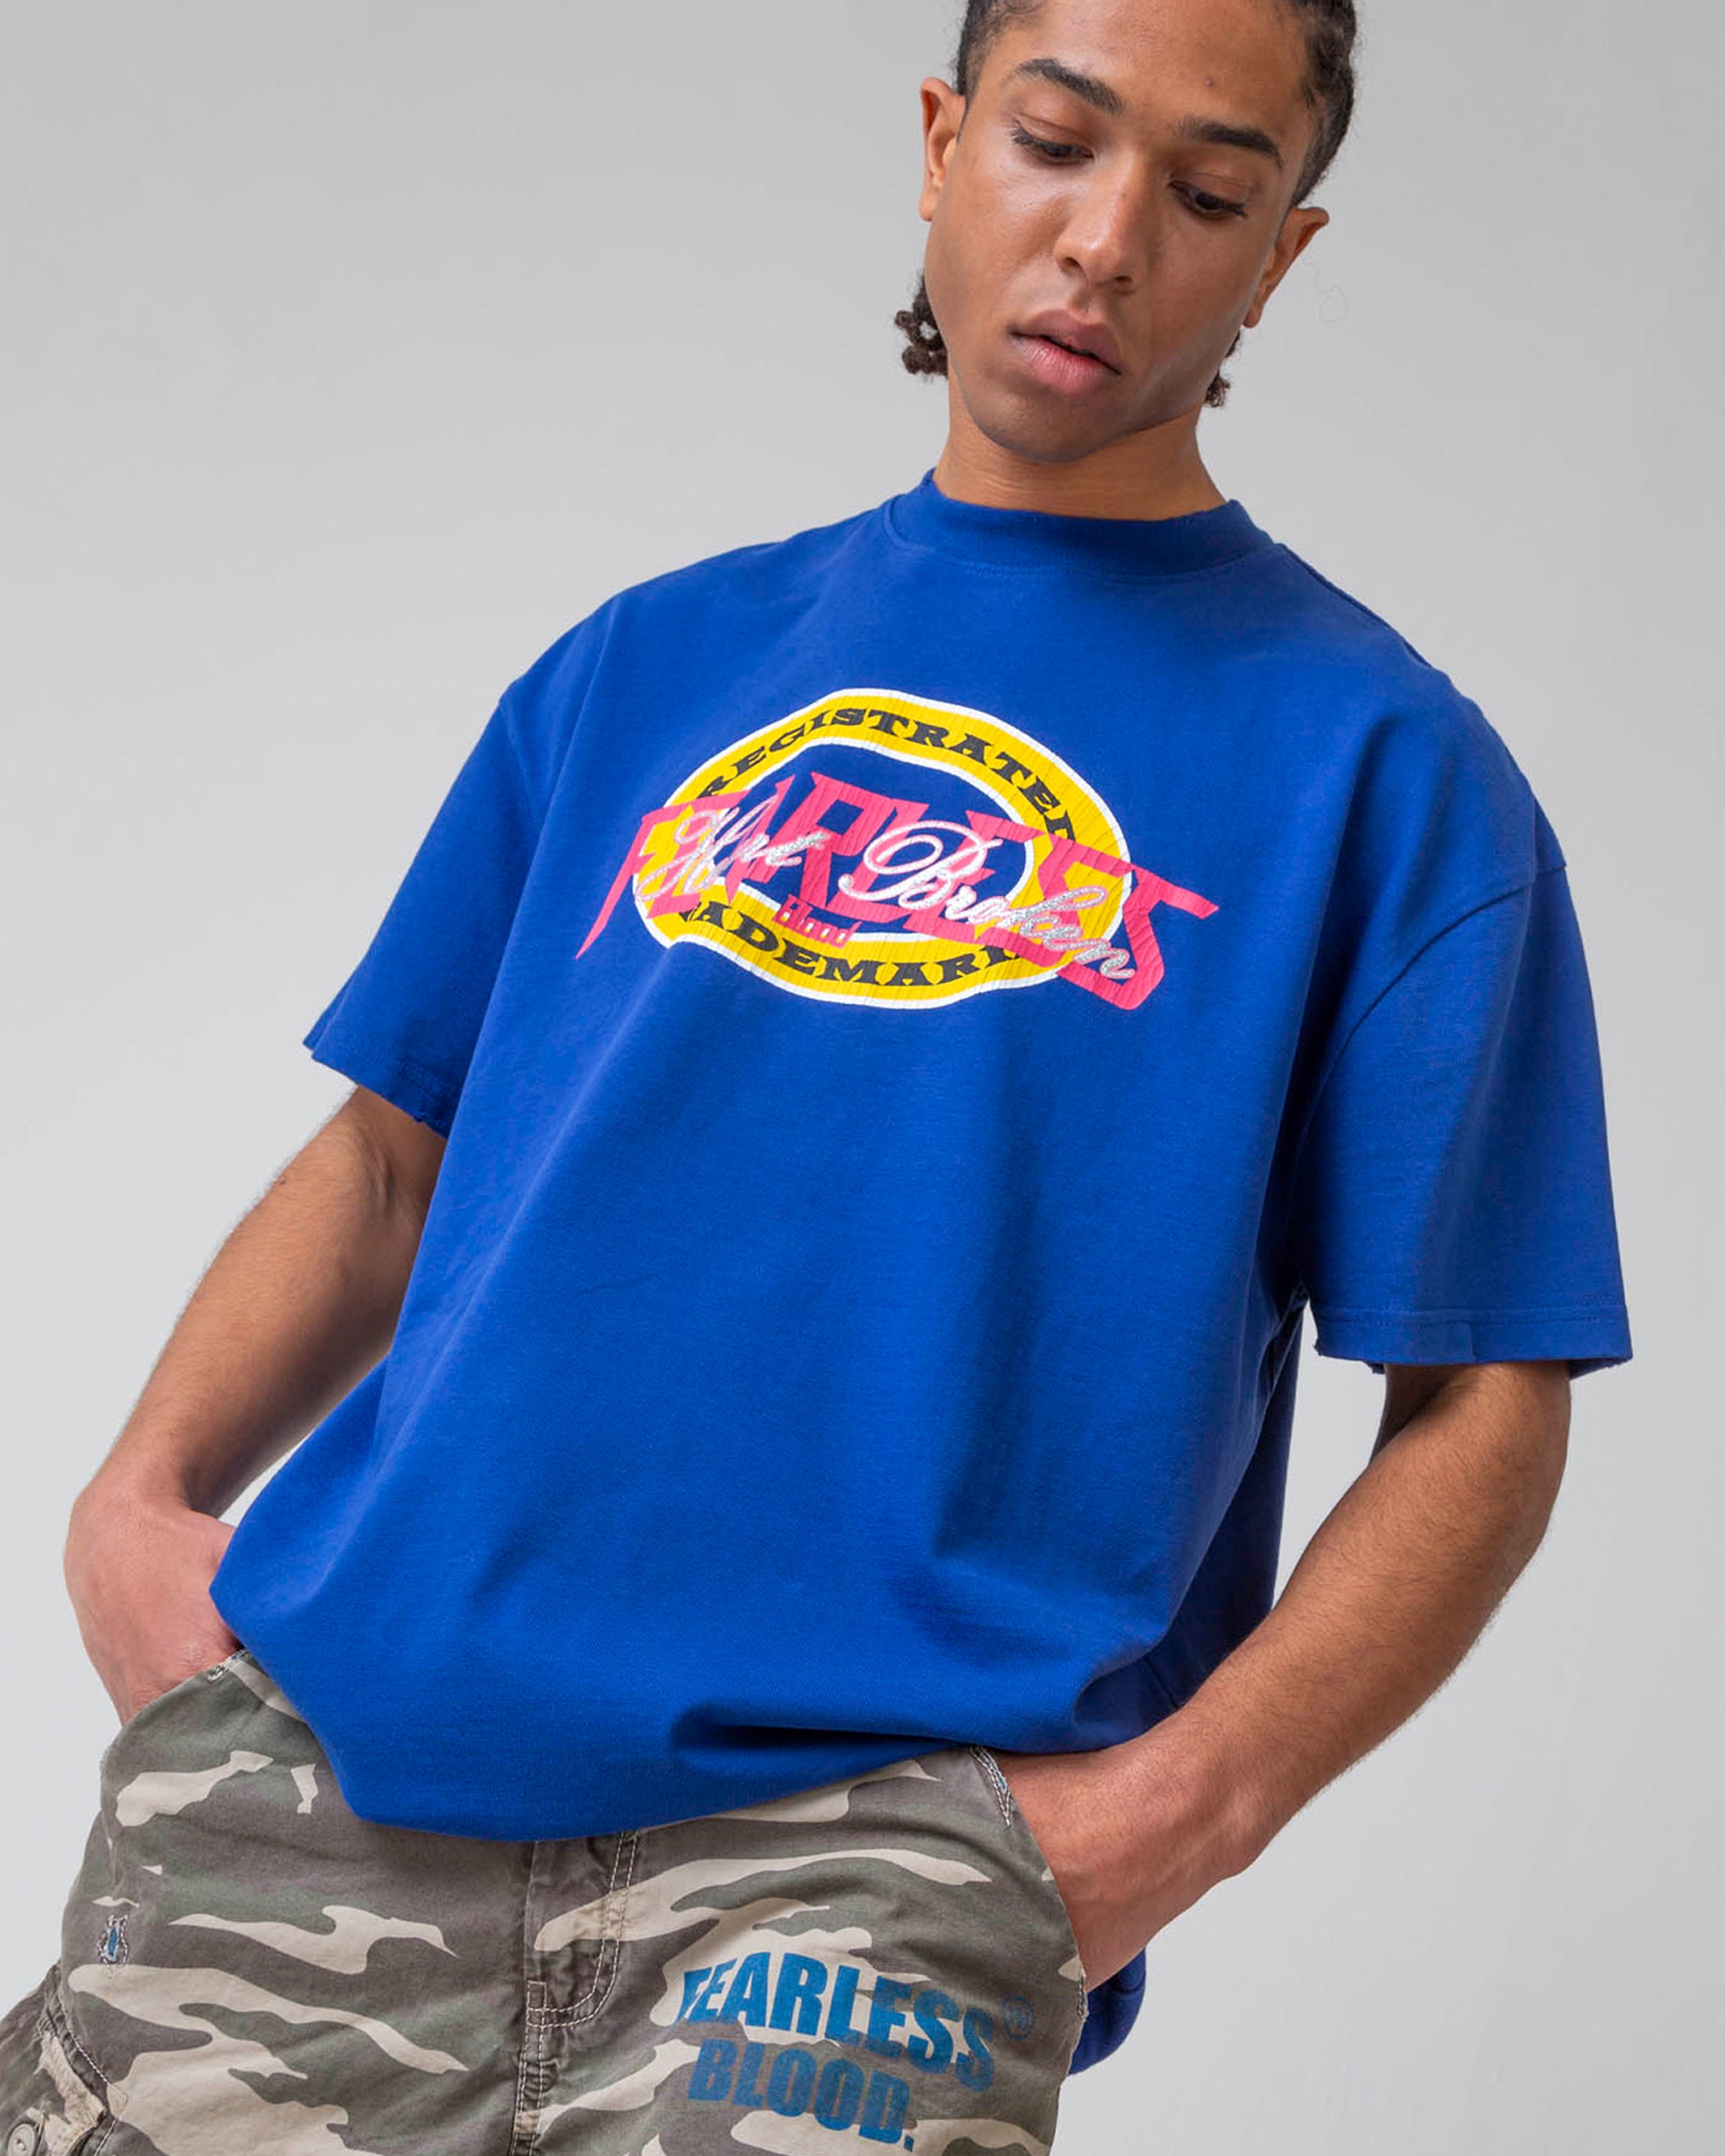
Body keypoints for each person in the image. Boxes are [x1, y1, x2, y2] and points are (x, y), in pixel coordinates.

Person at [3, 0, 1633, 2150]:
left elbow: (1486, 1394)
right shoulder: (646, 664)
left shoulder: (1386, 772)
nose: (1107, 238)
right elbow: (395, 1160)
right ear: (946, 144)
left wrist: (1186, 1812)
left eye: (1208, 190)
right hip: (325, 1786)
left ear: (1281, 256)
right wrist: (136, 1504)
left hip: (867, 1886)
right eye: (1056, 140)